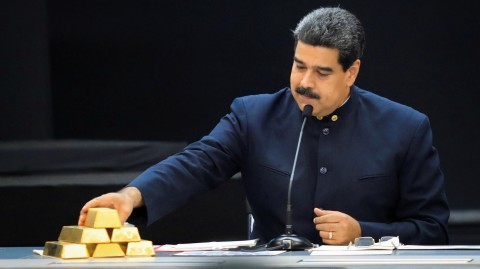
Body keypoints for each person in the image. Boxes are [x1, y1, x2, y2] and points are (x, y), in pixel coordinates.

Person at [78, 7, 449, 246]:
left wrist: (363, 232)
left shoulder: (406, 128)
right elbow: (196, 163)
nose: (305, 81)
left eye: (322, 73)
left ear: (351, 72)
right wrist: (131, 196)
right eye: (299, 65)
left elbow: (432, 230)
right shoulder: (253, 116)